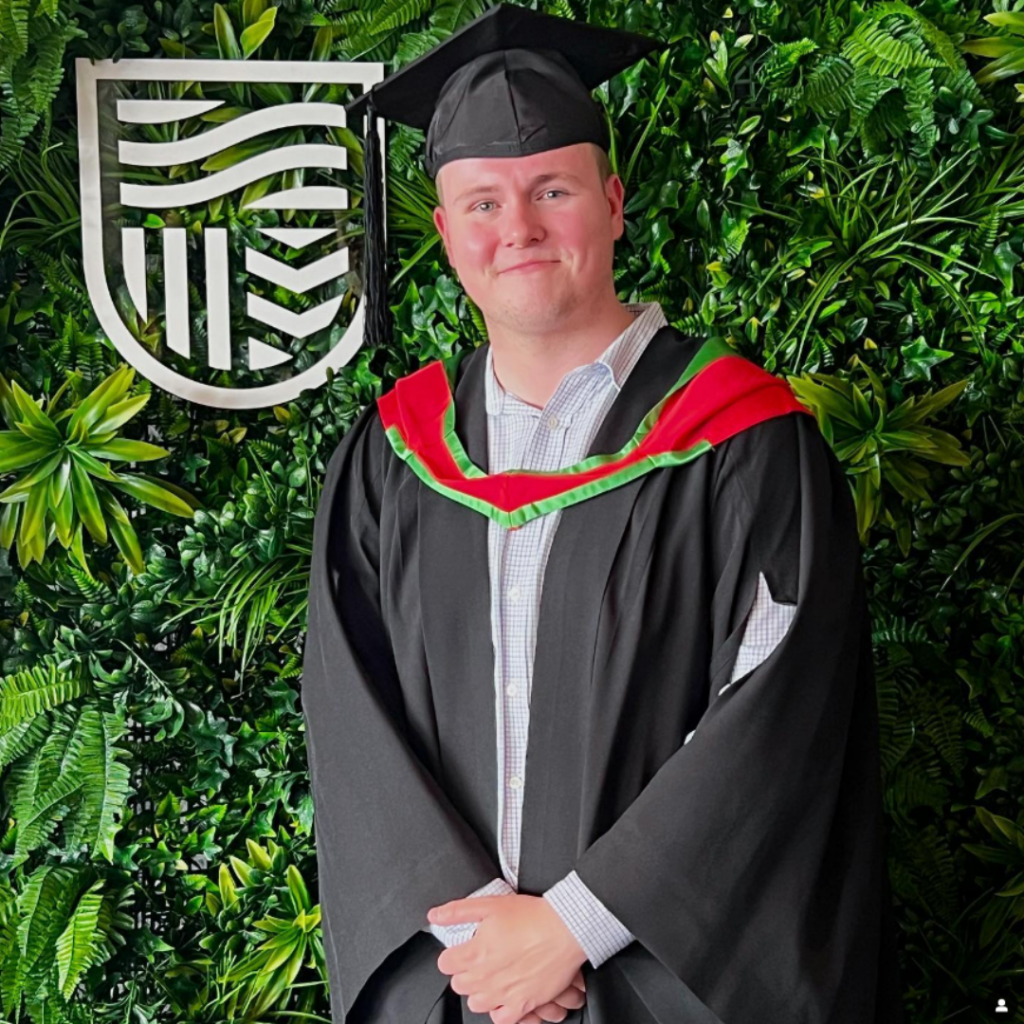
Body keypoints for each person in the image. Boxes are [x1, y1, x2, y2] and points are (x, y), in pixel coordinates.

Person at [300, 5, 907, 1023]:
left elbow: (779, 713)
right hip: (460, 981)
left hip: (666, 982)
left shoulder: (740, 439)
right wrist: (483, 939)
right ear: (445, 233)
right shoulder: (395, 455)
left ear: (614, 203)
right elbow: (351, 704)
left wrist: (574, 926)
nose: (519, 229)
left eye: (551, 191)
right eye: (481, 202)